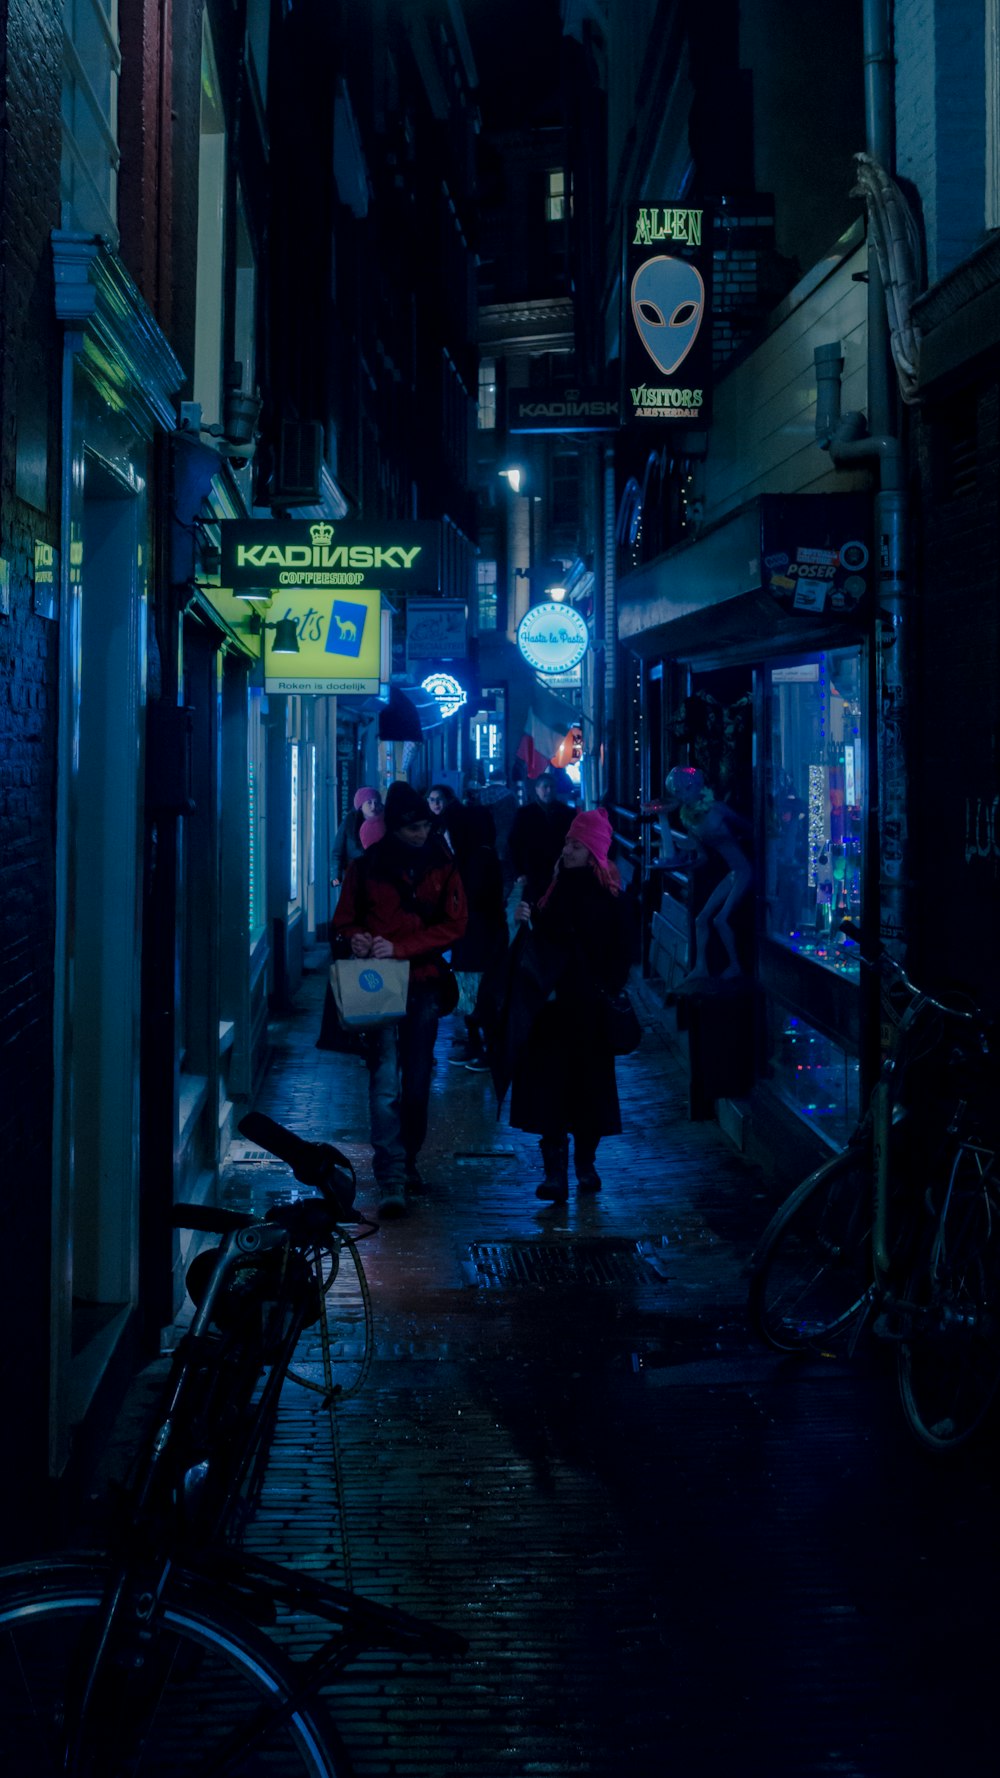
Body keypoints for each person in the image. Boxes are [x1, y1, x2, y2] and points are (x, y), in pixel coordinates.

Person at [332, 781, 467, 1219]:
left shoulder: (443, 866)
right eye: (412, 827)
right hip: (378, 985)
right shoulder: (365, 868)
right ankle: (392, 1173)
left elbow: (455, 923)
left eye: (425, 826)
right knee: (385, 1078)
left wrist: (402, 947)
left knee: (416, 1080)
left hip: (424, 983)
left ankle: (406, 1161)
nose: (419, 834)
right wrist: (358, 940)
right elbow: (344, 921)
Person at [504, 807, 632, 1203]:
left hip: (586, 1009)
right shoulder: (551, 886)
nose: (568, 849)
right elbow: (543, 943)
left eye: (577, 844)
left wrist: (602, 985)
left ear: (592, 850)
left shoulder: (608, 895)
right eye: (568, 842)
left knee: (585, 1090)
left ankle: (584, 1164)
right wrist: (528, 920)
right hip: (553, 1009)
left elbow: (620, 952)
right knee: (554, 1092)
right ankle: (557, 1171)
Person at [658, 766, 752, 981]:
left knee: (720, 919)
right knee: (701, 919)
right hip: (733, 873)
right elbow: (704, 858)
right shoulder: (690, 820)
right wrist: (680, 866)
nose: (681, 795)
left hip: (745, 869)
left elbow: (750, 828)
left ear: (696, 787)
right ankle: (701, 967)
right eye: (677, 792)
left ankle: (736, 965)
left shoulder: (717, 809)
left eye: (685, 789)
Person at [445, 800, 507, 1071]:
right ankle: (477, 1045)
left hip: (478, 938)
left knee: (478, 994)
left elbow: (474, 898)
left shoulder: (478, 857)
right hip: (475, 937)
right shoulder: (478, 854)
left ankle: (488, 1050)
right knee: (471, 994)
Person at [507, 771, 574, 906]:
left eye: (552, 787)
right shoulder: (524, 814)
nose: (549, 790)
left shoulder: (567, 813)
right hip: (533, 872)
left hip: (560, 870)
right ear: (537, 789)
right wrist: (518, 872)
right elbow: (514, 844)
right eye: (545, 787)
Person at [331, 786, 382, 888]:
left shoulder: (385, 822)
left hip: (380, 879)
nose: (373, 806)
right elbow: (337, 852)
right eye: (369, 802)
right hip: (354, 878)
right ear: (360, 805)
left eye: (376, 803)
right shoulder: (350, 822)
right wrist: (336, 876)